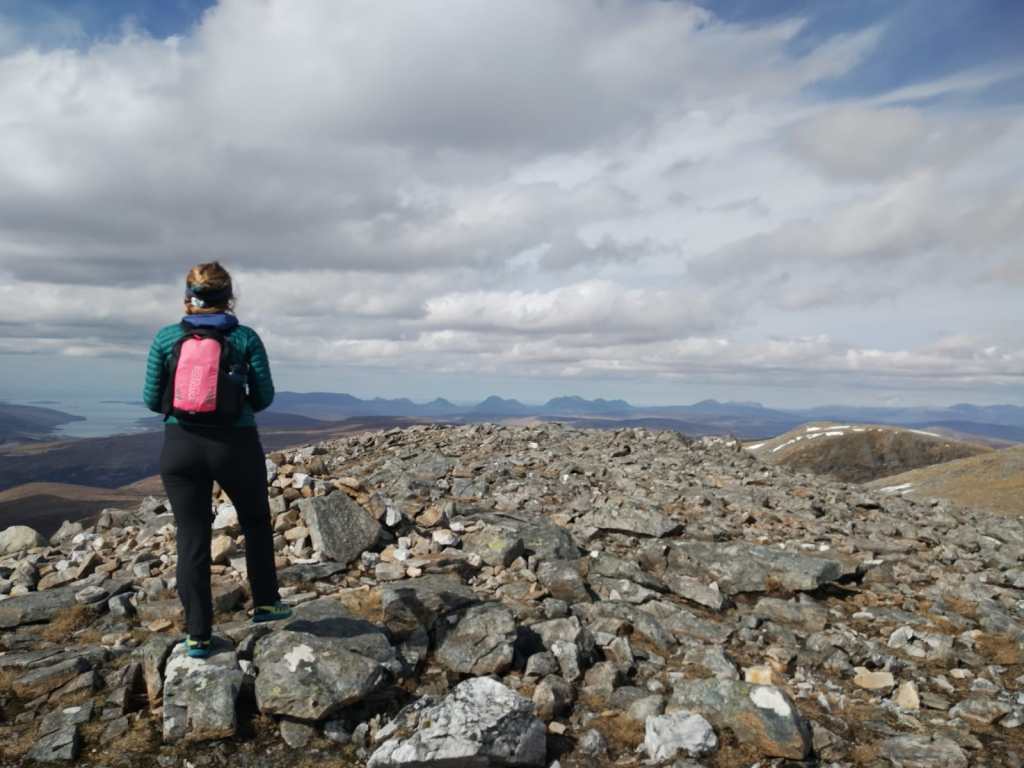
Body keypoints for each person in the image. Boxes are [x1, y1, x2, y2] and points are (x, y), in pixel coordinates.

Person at [143, 262, 291, 658]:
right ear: (229, 297)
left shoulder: (165, 338)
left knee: (192, 539)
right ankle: (265, 603)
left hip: (180, 446)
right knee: (256, 520)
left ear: (188, 296)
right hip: (235, 444)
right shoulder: (244, 338)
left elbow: (150, 397)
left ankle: (198, 635)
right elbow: (264, 397)